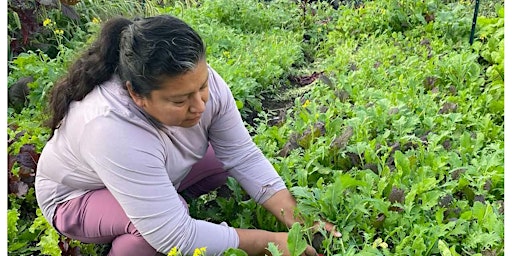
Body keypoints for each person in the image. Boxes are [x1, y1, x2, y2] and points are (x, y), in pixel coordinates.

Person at [35, 14, 339, 256]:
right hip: (77, 197)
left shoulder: (194, 82)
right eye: (180, 101)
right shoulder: (107, 125)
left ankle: (157, 202)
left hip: (152, 167)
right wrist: (271, 243)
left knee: (220, 163)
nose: (200, 105)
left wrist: (298, 219)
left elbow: (241, 154)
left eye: (203, 86)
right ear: (136, 95)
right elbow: (175, 236)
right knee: (154, 236)